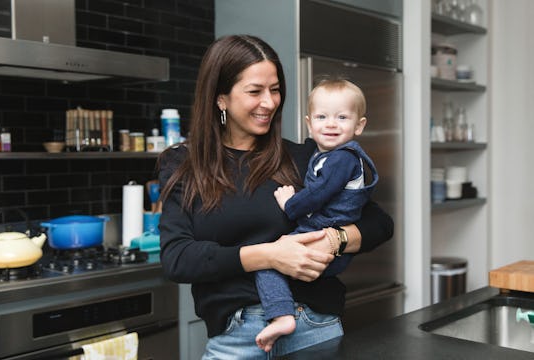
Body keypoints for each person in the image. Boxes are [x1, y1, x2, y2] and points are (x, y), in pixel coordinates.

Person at [158, 34, 393, 359]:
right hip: (238, 337)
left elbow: (379, 222)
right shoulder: (184, 164)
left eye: (275, 89)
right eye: (255, 91)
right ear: (220, 98)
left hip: (315, 326)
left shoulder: (306, 156)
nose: (269, 102)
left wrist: (333, 240)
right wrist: (269, 255)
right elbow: (178, 258)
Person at [254, 78, 379, 351]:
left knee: (266, 262)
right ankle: (284, 314)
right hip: (325, 237)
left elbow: (318, 194)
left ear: (359, 125)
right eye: (322, 117)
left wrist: (290, 204)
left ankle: (283, 316)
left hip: (323, 230)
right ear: (310, 124)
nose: (331, 124)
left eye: (342, 117)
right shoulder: (328, 156)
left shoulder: (341, 158)